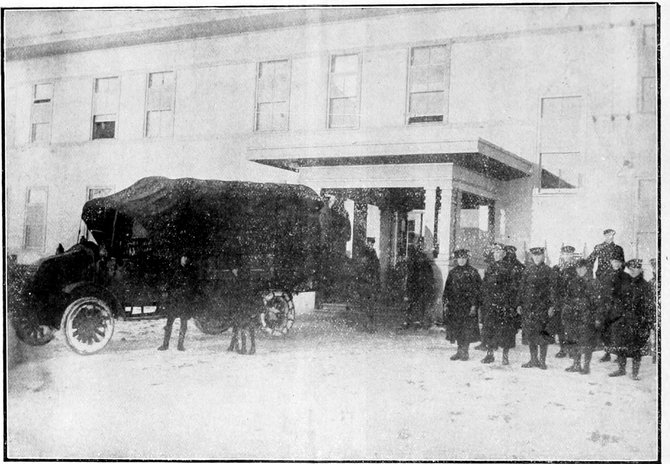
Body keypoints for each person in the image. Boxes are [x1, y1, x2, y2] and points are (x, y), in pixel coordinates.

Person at [609, 259, 654, 380]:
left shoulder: (645, 285)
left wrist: (646, 322)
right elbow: (618, 299)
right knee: (621, 345)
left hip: (637, 321)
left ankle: (635, 373)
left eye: (636, 269)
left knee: (636, 348)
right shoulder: (625, 283)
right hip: (623, 320)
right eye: (631, 269)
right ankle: (621, 369)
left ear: (640, 270)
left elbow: (648, 306)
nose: (633, 271)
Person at [517, 247, 557, 370]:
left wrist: (552, 306)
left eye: (539, 255)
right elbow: (522, 288)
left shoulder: (549, 271)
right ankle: (533, 359)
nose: (537, 258)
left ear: (543, 256)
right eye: (535, 255)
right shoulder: (527, 270)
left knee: (542, 335)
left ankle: (542, 361)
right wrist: (519, 303)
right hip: (529, 307)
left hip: (543, 308)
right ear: (532, 257)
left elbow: (553, 290)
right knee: (531, 334)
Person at [480, 243, 518, 365]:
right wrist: (485, 299)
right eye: (495, 252)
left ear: (504, 254)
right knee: (489, 329)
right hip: (491, 304)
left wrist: (507, 301)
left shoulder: (509, 268)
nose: (496, 254)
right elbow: (485, 285)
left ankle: (505, 356)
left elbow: (513, 287)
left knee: (505, 331)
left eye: (499, 252)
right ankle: (490, 354)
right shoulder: (490, 267)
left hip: (504, 304)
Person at [561, 259, 600, 374]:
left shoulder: (593, 283)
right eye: (578, 268)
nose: (580, 271)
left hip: (587, 317)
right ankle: (576, 364)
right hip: (574, 316)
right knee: (574, 340)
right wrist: (565, 313)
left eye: (582, 268)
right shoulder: (572, 282)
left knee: (587, 342)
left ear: (587, 269)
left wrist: (597, 317)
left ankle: (586, 367)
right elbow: (567, 299)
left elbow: (598, 302)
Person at [442, 249, 481, 361]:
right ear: (457, 259)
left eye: (464, 258)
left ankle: (465, 351)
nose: (461, 260)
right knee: (457, 328)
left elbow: (477, 290)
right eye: (459, 258)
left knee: (466, 329)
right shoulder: (453, 272)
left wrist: (474, 305)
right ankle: (459, 351)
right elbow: (447, 289)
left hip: (467, 306)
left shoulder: (473, 272)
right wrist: (446, 303)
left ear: (467, 259)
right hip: (455, 306)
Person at [159, 253, 201, 351]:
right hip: (175, 300)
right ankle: (165, 344)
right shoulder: (176, 270)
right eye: (183, 257)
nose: (185, 259)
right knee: (169, 323)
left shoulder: (189, 271)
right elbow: (170, 283)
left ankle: (180, 345)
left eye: (186, 257)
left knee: (183, 324)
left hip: (184, 301)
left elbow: (193, 286)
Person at [596, 247, 626, 362]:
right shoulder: (606, 275)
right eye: (614, 261)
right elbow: (602, 291)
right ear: (611, 262)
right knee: (605, 331)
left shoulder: (625, 277)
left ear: (621, 263)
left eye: (618, 262)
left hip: (618, 309)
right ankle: (607, 353)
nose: (616, 264)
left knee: (619, 333)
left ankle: (620, 355)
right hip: (606, 308)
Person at [550, 245, 578, 358]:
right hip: (559, 302)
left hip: (571, 302)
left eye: (569, 254)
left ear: (572, 255)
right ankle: (562, 349)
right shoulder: (556, 268)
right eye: (565, 254)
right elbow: (552, 286)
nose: (567, 256)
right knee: (560, 327)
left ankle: (571, 350)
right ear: (562, 255)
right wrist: (554, 301)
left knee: (571, 326)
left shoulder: (576, 269)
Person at [403, 238, 435, 329]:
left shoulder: (425, 258)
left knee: (420, 304)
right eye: (418, 244)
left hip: (422, 284)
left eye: (422, 244)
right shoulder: (412, 257)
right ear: (416, 245)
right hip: (413, 283)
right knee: (411, 303)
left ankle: (418, 322)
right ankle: (407, 321)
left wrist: (429, 282)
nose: (420, 246)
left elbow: (429, 272)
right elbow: (410, 272)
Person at [355, 237, 381, 332]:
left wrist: (376, 280)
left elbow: (377, 266)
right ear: (367, 243)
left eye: (372, 244)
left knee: (371, 305)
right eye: (370, 243)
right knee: (364, 304)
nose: (371, 245)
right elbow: (361, 267)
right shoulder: (363, 252)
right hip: (364, 282)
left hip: (371, 282)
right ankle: (365, 326)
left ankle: (371, 326)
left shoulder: (373, 252)